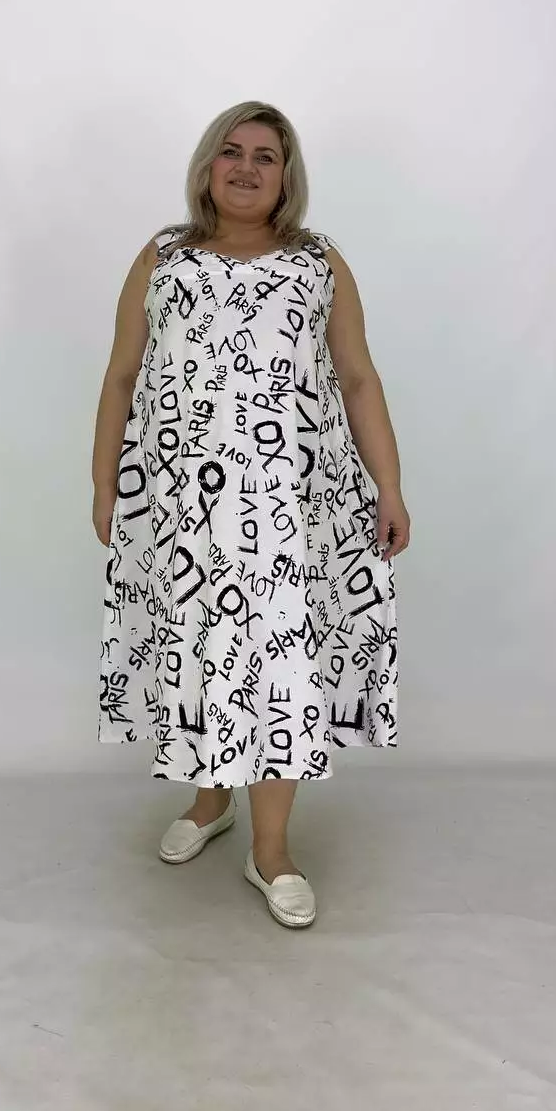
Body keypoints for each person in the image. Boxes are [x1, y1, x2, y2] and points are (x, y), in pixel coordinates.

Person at [92, 101, 410, 929]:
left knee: (279, 665)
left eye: (265, 156)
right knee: (200, 645)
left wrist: (390, 485)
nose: (245, 167)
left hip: (291, 510)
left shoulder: (317, 263)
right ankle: (211, 802)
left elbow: (358, 378)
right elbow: (122, 374)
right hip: (182, 505)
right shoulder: (163, 257)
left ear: (286, 177)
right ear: (207, 167)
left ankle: (270, 849)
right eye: (230, 151)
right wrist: (103, 484)